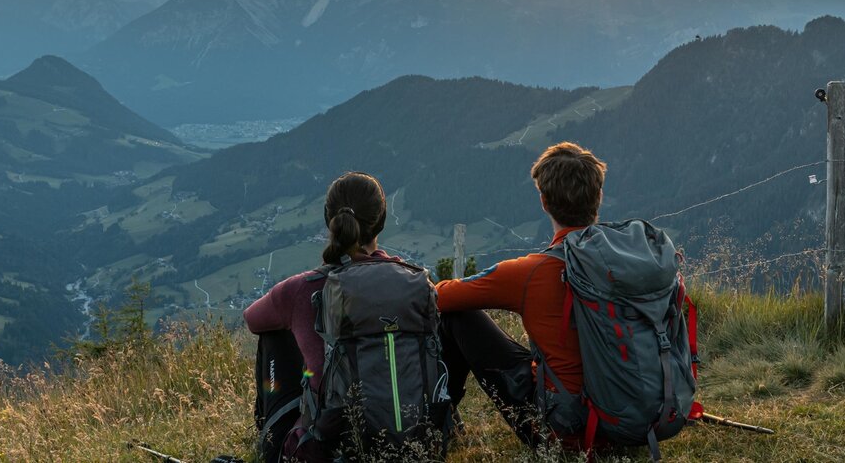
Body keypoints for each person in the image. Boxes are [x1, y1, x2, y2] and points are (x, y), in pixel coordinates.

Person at [435, 141, 606, 450]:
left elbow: (441, 298)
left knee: (459, 316)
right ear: (599, 196)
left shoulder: (532, 272)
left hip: (564, 431)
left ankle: (438, 426)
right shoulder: (633, 262)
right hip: (635, 416)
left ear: (543, 202)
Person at [244, 171, 393, 462]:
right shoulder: (412, 283)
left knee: (273, 332)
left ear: (330, 221)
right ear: (381, 222)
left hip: (326, 443)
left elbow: (252, 318)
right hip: (402, 431)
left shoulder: (303, 288)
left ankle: (273, 445)